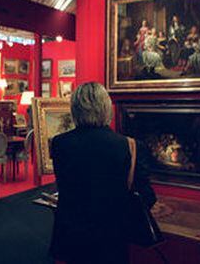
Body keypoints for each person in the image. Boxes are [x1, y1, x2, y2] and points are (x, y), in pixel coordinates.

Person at [49, 82, 156, 264]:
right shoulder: (131, 146)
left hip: (71, 235)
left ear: (75, 109)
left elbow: (67, 185)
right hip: (111, 238)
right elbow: (146, 196)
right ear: (107, 108)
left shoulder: (59, 143)